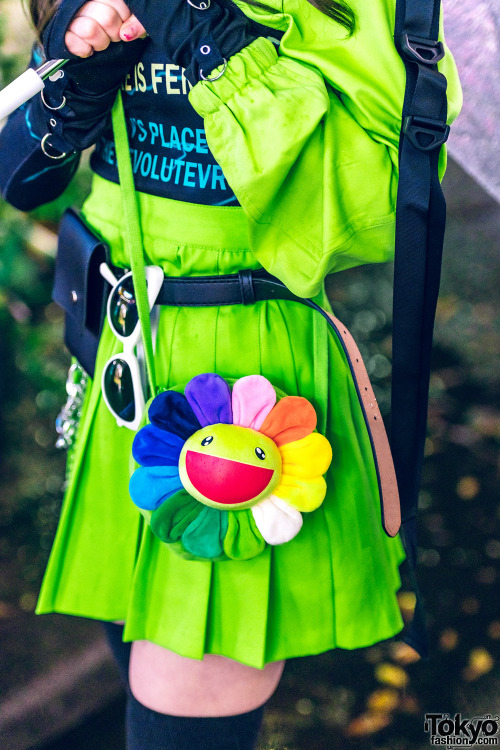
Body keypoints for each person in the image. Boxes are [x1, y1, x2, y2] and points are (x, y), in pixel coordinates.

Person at [0, 0, 461, 748]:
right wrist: (73, 82)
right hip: (124, 368)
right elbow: (25, 183)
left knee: (181, 712)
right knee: (135, 639)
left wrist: (213, 41)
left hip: (247, 387)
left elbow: (382, 210)